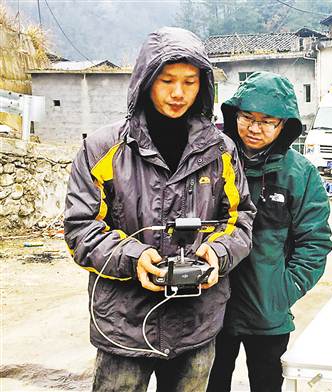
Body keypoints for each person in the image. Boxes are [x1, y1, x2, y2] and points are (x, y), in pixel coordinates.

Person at [63, 27, 255, 391]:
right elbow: (80, 227)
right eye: (167, 80)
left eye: (190, 81)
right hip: (124, 324)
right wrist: (134, 258)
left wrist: (217, 253)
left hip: (196, 322)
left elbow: (241, 220)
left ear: (203, 86)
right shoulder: (104, 147)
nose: (178, 93)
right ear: (146, 80)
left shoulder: (221, 151)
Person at [208, 72, 332, 392]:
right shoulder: (213, 163)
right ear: (233, 115)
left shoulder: (299, 174)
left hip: (267, 314)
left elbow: (315, 241)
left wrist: (285, 289)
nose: (254, 128)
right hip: (211, 310)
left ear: (284, 125)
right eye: (247, 117)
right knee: (209, 385)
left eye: (267, 121)